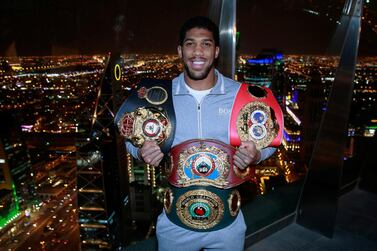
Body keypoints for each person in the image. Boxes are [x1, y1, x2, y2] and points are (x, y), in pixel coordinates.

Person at [123, 16, 277, 251]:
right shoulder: (159, 96)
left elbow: (269, 142)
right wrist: (140, 152)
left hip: (228, 226)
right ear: (180, 50)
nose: (197, 52)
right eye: (190, 44)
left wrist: (256, 156)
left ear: (215, 51)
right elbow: (131, 139)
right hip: (175, 226)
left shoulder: (241, 95)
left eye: (205, 44)